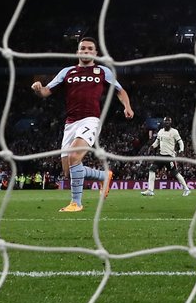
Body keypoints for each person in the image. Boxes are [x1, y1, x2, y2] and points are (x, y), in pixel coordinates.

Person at [32, 36, 134, 213]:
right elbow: (47, 91)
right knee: (68, 172)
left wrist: (127, 106)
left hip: (91, 119)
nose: (86, 51)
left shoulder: (103, 72)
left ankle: (76, 203)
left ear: (95, 53)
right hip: (70, 123)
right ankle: (104, 176)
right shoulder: (67, 72)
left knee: (74, 157)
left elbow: (120, 90)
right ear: (77, 52)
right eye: (83, 48)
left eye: (89, 49)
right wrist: (38, 89)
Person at [144, 117, 189, 196]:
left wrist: (181, 150)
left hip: (170, 156)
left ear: (171, 123)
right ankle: (150, 190)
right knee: (152, 169)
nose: (167, 122)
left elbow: (180, 142)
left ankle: (186, 189)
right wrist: (151, 147)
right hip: (161, 155)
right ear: (163, 122)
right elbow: (157, 142)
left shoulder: (174, 132)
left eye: (168, 121)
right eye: (166, 121)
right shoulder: (160, 131)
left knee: (175, 173)